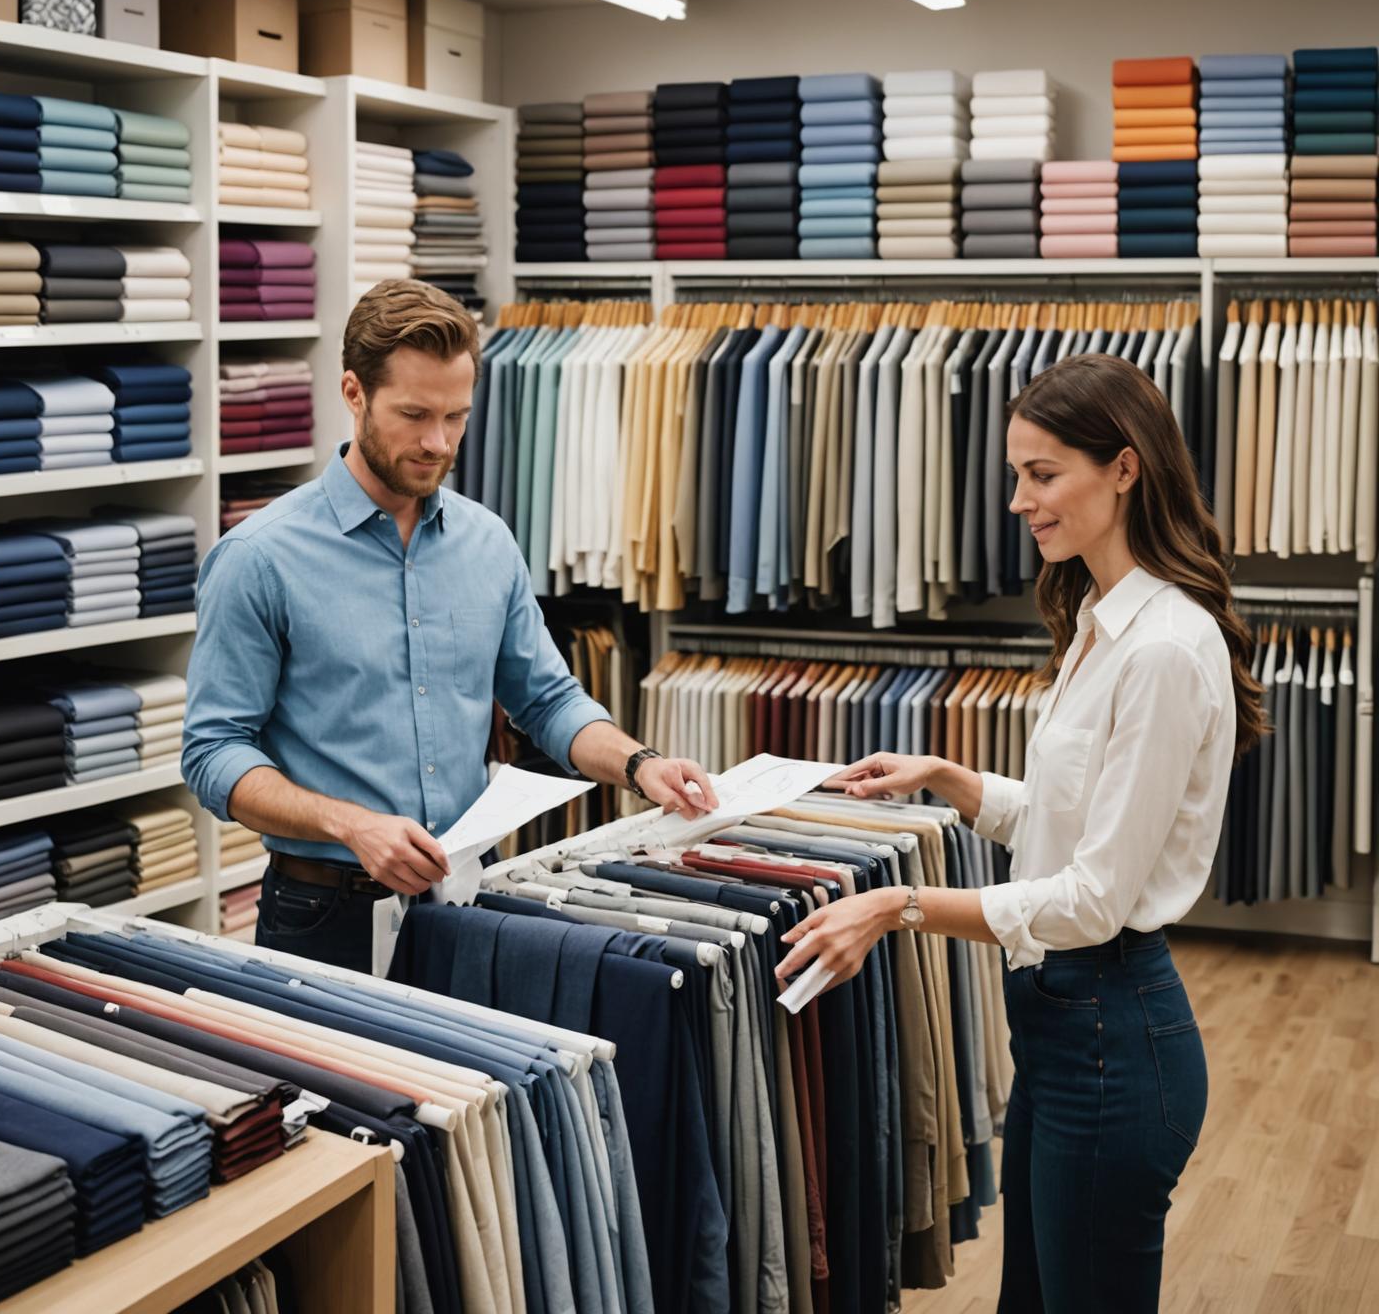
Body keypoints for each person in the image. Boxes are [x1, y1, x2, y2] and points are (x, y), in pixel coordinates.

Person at [775, 352, 1264, 1314]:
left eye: (1042, 475)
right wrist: (956, 783)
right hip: (1064, 1031)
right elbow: (1071, 822)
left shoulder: (1163, 649)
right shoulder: (1099, 617)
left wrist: (899, 905)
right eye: (1016, 476)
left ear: (1124, 469)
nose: (1018, 501)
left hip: (1111, 1035)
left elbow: (1092, 899)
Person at [183, 278, 718, 972]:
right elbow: (212, 752)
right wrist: (351, 824)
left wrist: (641, 765)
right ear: (354, 394)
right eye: (413, 414)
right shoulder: (259, 558)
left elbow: (548, 701)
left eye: (456, 417)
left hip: (469, 898)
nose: (438, 442)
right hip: (324, 915)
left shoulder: (487, 541)